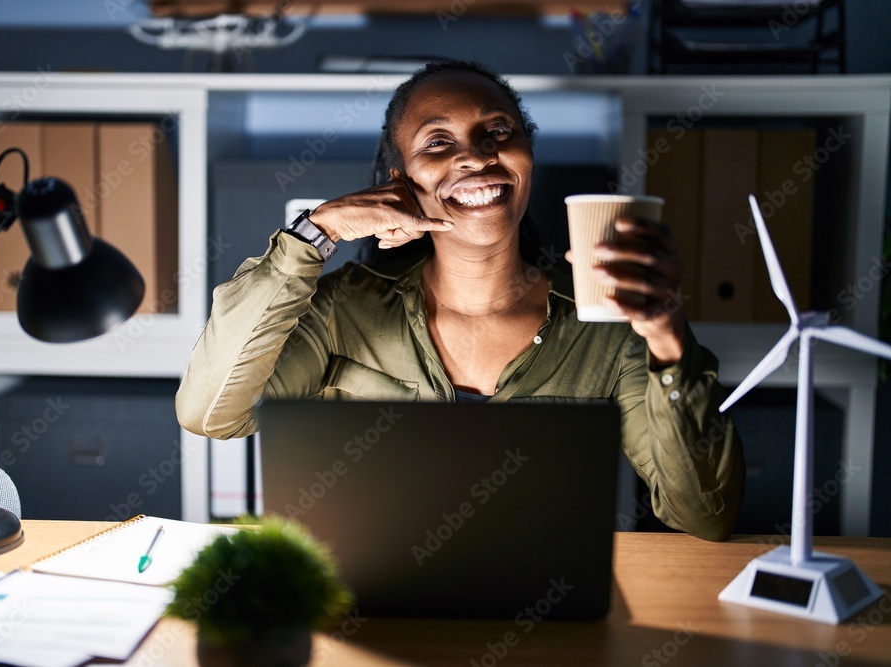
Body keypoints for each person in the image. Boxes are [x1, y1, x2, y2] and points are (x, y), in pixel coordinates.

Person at [177, 61, 744, 541]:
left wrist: (668, 337)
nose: (476, 157)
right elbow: (210, 413)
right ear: (402, 180)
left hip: (540, 614)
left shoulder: (609, 328)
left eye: (499, 132)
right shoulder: (344, 310)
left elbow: (704, 515)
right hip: (370, 610)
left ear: (527, 154)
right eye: (439, 142)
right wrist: (316, 231)